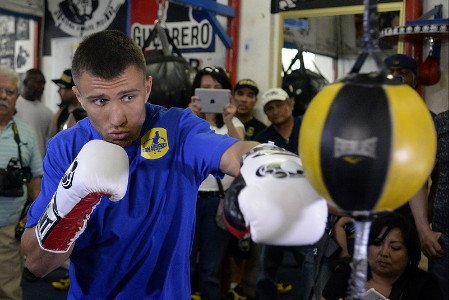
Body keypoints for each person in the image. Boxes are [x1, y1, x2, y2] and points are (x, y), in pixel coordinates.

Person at [20, 30, 267, 299]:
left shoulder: (179, 130)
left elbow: (234, 153)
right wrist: (71, 203)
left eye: (128, 97)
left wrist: (271, 164)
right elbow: (37, 264)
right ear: (79, 97)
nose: (117, 119)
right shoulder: (65, 149)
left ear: (147, 88)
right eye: (100, 101)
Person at [188, 66, 244, 299]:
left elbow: (241, 155)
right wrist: (190, 117)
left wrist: (229, 120)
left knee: (210, 268)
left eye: (217, 88)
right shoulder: (186, 120)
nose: (211, 93)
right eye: (206, 88)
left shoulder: (234, 124)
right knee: (184, 263)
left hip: (217, 202)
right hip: (188, 200)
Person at [321, 212, 443, 300]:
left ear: (409, 253)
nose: (384, 253)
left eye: (395, 247)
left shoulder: (424, 287)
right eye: (377, 243)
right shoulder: (347, 273)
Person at [0, 65, 43, 300]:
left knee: (7, 291)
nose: (3, 96)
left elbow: (36, 182)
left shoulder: (25, 135)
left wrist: (33, 217)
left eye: (9, 91)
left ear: (17, 97)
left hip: (8, 231)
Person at [227, 78, 266, 299]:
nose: (244, 99)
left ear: (255, 101)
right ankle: (233, 286)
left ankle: (247, 289)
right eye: (240, 93)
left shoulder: (262, 130)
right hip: (226, 194)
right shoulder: (218, 123)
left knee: (250, 245)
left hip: (254, 196)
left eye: (250, 95)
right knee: (228, 246)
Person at [15, 68, 54, 156]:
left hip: (39, 165)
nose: (42, 87)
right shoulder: (12, 109)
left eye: (43, 83)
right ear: (25, 82)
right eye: (38, 82)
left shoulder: (48, 113)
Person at [49, 69, 83, 137]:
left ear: (74, 90)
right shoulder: (60, 113)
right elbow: (52, 138)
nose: (58, 91)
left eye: (62, 87)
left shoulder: (86, 114)